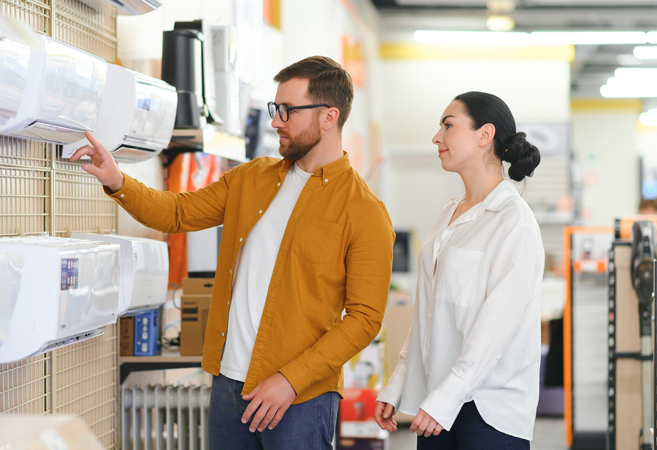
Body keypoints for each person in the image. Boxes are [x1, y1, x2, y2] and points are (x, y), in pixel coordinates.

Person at [70, 55, 395, 450]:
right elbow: (177, 212)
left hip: (300, 398)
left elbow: (363, 319)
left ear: (329, 116)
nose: (276, 121)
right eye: (277, 109)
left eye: (288, 111)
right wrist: (117, 179)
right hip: (229, 385)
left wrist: (291, 380)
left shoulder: (365, 211)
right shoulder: (252, 178)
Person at [374, 91, 544, 449]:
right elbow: (431, 313)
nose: (437, 137)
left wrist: (446, 397)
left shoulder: (514, 222)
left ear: (485, 135)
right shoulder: (449, 214)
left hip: (487, 412)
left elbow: (495, 327)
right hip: (438, 402)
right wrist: (400, 381)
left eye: (448, 126)